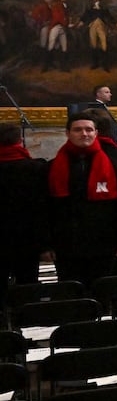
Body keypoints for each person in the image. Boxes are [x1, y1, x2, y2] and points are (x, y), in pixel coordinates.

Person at [43, 111, 117, 287]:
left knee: (101, 291)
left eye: (89, 129)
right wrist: (45, 244)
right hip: (66, 243)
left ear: (96, 133)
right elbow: (45, 208)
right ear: (68, 133)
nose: (84, 134)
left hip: (104, 242)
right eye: (78, 130)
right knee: (70, 292)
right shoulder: (52, 167)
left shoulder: (114, 165)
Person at [0, 123, 46, 289]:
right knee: (27, 283)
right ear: (20, 140)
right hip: (27, 237)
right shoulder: (35, 168)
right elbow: (42, 206)